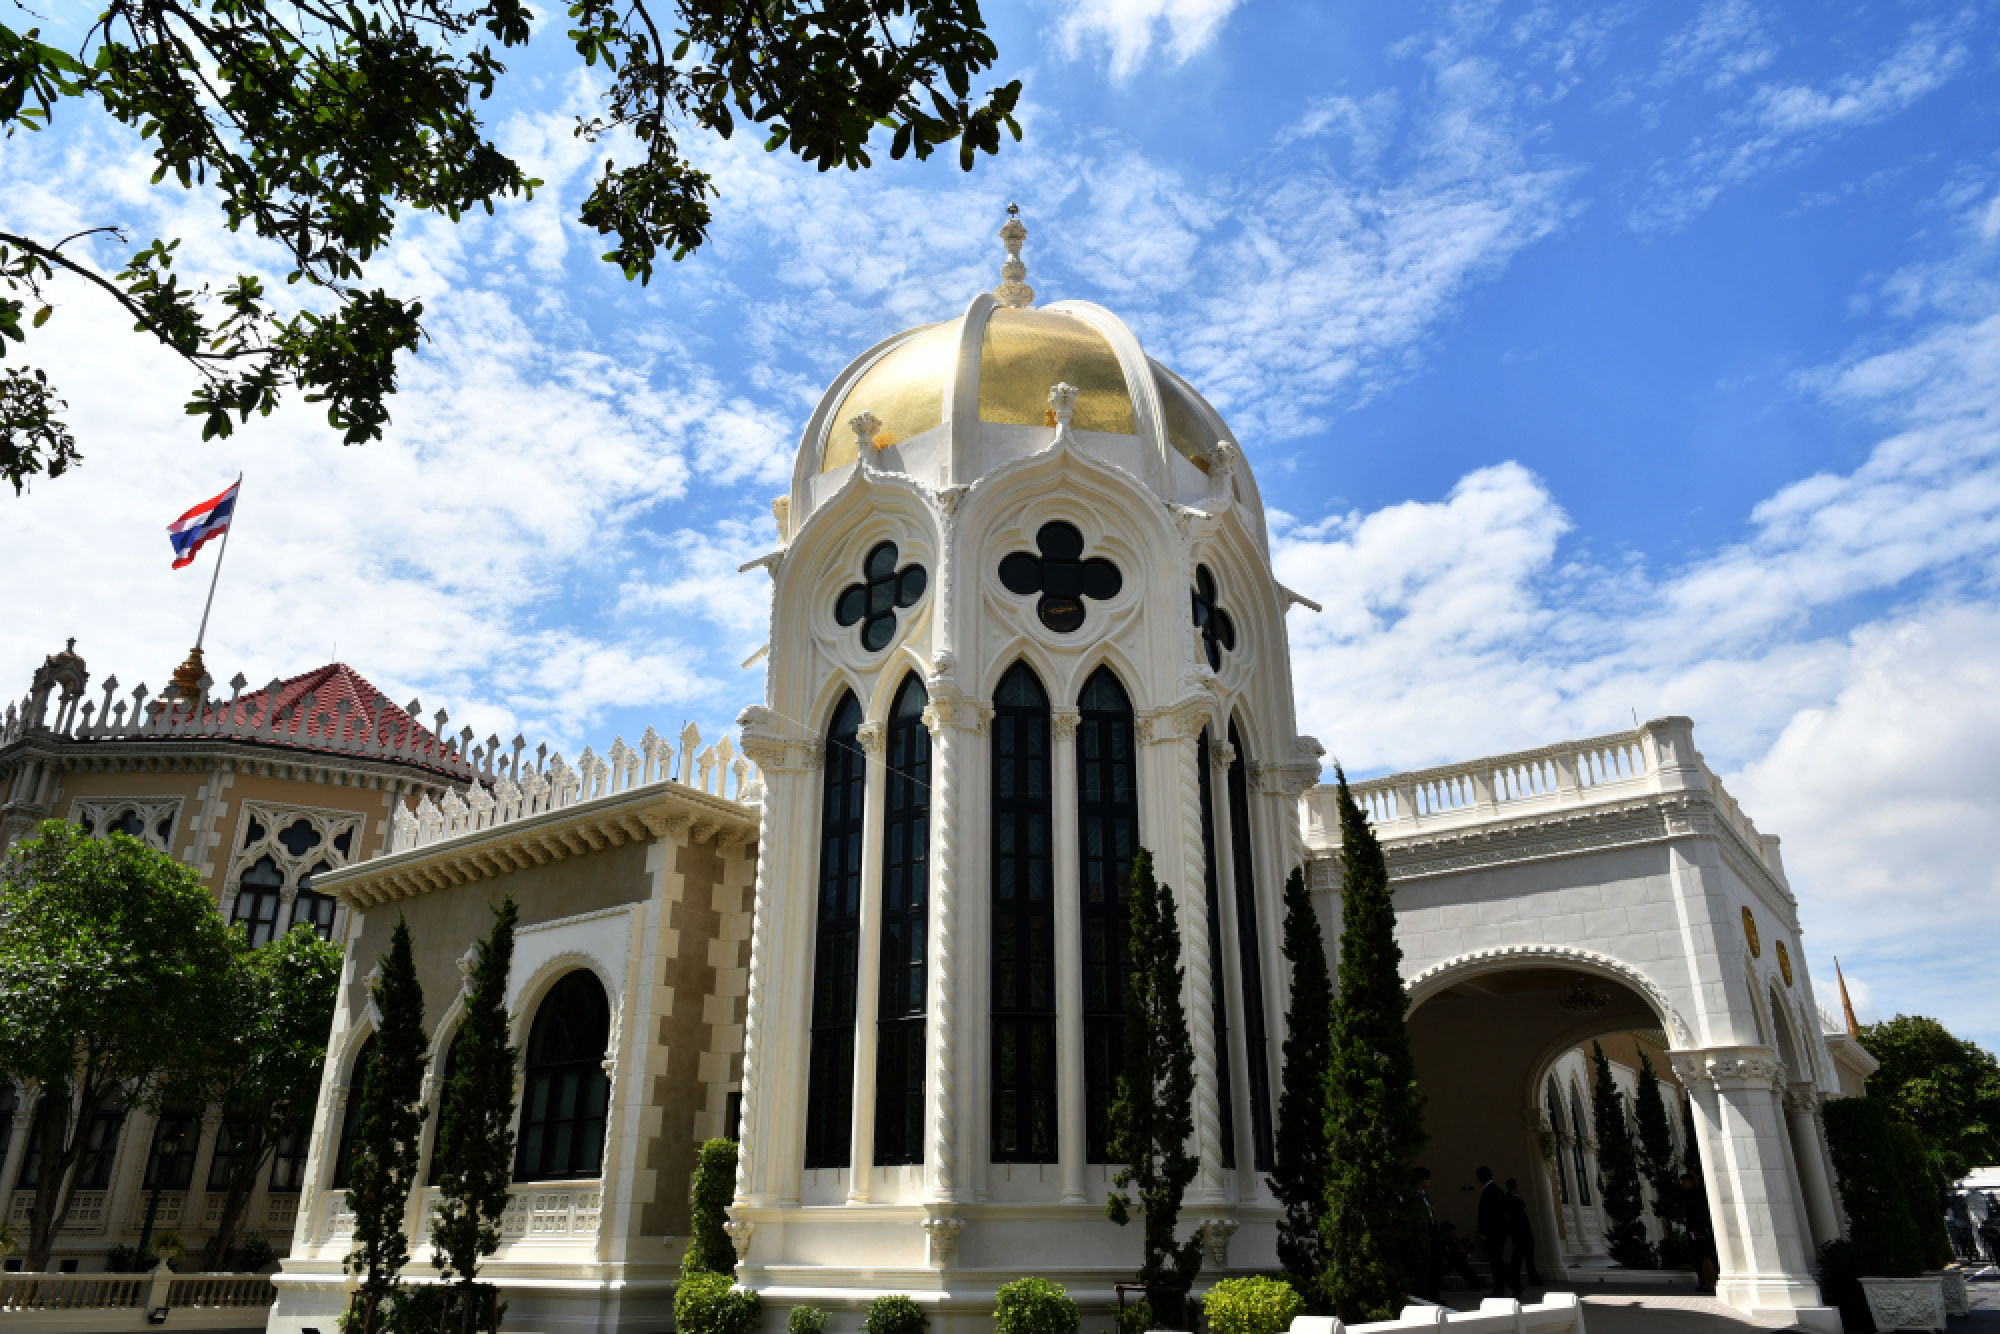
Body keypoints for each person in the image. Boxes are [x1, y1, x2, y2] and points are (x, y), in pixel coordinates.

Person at [1475, 1166, 1520, 1298]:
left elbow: (1488, 1214)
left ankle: (1512, 1285)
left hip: (1494, 1233)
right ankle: (1503, 1287)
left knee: (1497, 1261)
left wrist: (1484, 1231)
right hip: (1498, 1232)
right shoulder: (1495, 1190)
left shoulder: (1490, 1191)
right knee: (1496, 1261)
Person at [1679, 1172, 1718, 1289]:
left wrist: (1702, 1231)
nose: (1684, 1184)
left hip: (1701, 1231)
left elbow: (1701, 1214)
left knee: (1706, 1257)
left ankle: (1714, 1282)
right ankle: (1706, 1283)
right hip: (1693, 1230)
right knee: (1700, 1257)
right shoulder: (1688, 1195)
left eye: (1686, 1181)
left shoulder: (1698, 1194)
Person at [1504, 1177, 1542, 1289]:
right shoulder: (1513, 1201)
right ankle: (1526, 1278)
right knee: (1523, 1257)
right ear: (1514, 1187)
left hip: (1519, 1233)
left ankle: (1517, 1278)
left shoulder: (1510, 1200)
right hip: (1521, 1233)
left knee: (1520, 1257)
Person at [1412, 1166, 1441, 1302]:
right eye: (1427, 1179)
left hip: (1430, 1236)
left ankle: (1433, 1295)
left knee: (1431, 1268)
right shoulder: (1414, 1197)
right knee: (1421, 1270)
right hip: (1421, 1238)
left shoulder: (1425, 1196)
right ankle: (1422, 1296)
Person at [1436, 1221, 1484, 1292]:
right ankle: (1475, 1283)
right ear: (1446, 1232)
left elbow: (1455, 1251)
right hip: (1441, 1266)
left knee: (1460, 1261)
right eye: (1452, 1232)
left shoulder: (1449, 1240)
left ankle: (1475, 1282)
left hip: (1448, 1263)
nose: (1453, 1234)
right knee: (1459, 1262)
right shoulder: (1441, 1241)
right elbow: (1452, 1253)